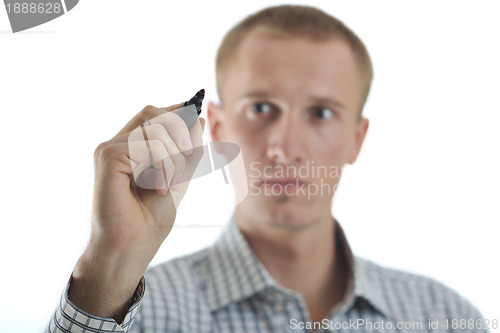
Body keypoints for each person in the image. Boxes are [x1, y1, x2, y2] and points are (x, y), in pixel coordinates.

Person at [47, 5, 487, 333]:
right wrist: (108, 265)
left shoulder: (448, 318)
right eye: (260, 107)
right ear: (216, 126)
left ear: (357, 138)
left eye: (321, 113)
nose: (285, 147)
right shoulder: (126, 316)